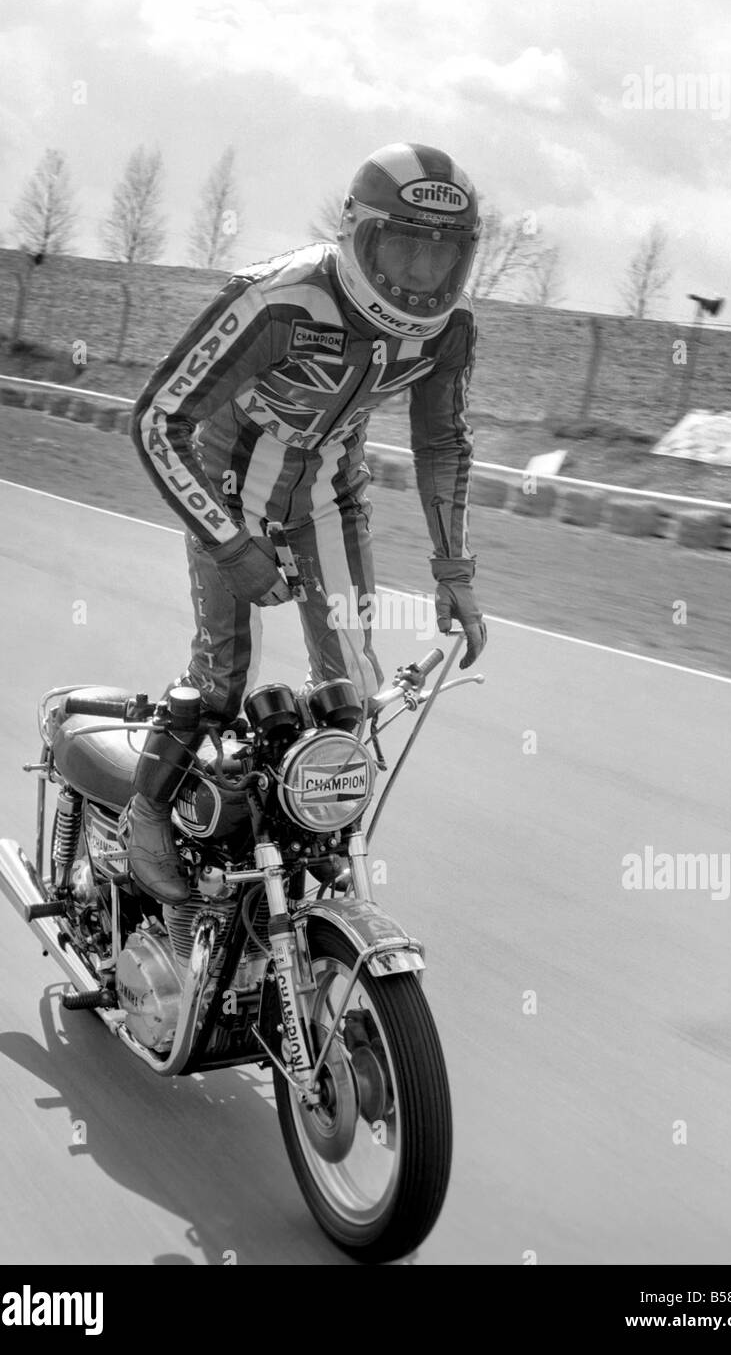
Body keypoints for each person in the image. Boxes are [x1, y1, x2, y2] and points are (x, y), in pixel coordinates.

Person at [126, 141, 488, 904]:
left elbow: (443, 442)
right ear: (359, 233)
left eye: (442, 257)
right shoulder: (275, 300)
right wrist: (229, 545)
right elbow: (159, 423)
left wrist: (454, 571)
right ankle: (147, 814)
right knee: (221, 684)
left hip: (330, 498)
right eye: (404, 249)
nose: (422, 277)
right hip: (225, 493)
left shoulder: (448, 333)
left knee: (350, 697)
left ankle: (313, 846)